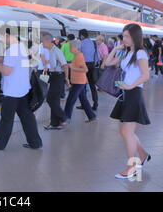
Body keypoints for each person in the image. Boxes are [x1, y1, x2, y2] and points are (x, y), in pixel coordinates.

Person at [0, 25, 42, 150]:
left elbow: (6, 71)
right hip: (23, 89)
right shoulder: (22, 47)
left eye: (1, 37)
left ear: (7, 35)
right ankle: (35, 143)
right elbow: (14, 62)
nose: (1, 40)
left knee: (6, 119)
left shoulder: (11, 50)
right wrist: (0, 58)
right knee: (27, 118)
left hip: (12, 92)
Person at [104, 23, 151, 179]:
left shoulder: (140, 54)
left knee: (126, 131)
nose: (124, 39)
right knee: (125, 131)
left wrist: (130, 86)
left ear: (135, 37)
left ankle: (132, 167)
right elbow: (107, 63)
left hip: (133, 93)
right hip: (125, 93)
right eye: (123, 36)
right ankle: (143, 155)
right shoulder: (125, 52)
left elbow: (145, 75)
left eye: (127, 36)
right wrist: (115, 50)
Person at [63, 40, 97, 124]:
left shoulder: (79, 56)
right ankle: (92, 116)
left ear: (75, 47)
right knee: (83, 99)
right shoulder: (76, 56)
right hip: (78, 81)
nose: (70, 49)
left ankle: (66, 119)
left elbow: (85, 69)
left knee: (70, 100)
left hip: (79, 82)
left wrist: (72, 68)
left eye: (70, 47)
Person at [41, 32, 69, 130]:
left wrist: (67, 79)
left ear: (48, 41)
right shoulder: (50, 51)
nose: (42, 43)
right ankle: (54, 123)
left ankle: (63, 117)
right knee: (55, 101)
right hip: (53, 76)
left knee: (50, 99)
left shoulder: (57, 51)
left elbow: (65, 65)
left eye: (42, 41)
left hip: (58, 77)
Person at [77, 29, 99, 111]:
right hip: (92, 65)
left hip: (83, 65)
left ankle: (84, 104)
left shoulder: (80, 43)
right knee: (92, 86)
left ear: (81, 35)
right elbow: (97, 55)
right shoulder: (93, 42)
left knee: (82, 85)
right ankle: (95, 104)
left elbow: (78, 55)